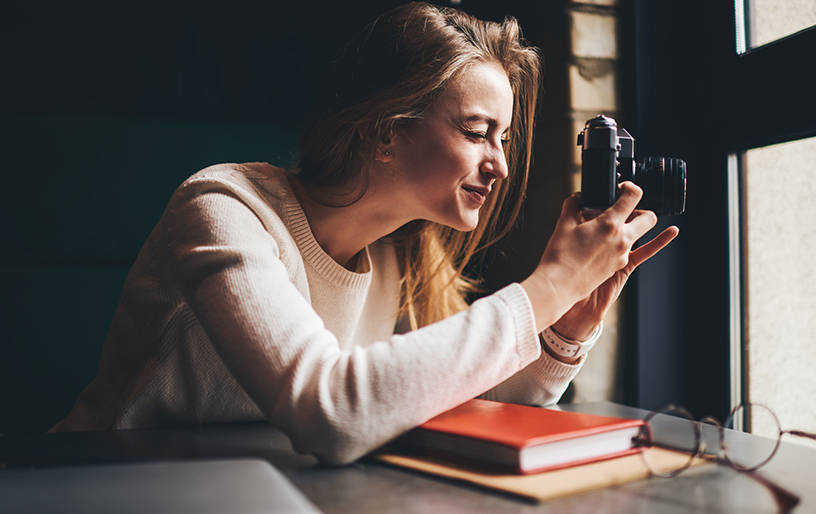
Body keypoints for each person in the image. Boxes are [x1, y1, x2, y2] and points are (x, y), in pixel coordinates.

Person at [51, 2, 678, 465]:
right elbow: (332, 411)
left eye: (504, 138)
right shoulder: (223, 208)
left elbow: (452, 392)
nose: (502, 165)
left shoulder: (400, 254)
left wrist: (564, 327)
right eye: (476, 130)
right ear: (385, 131)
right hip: (96, 487)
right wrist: (551, 283)